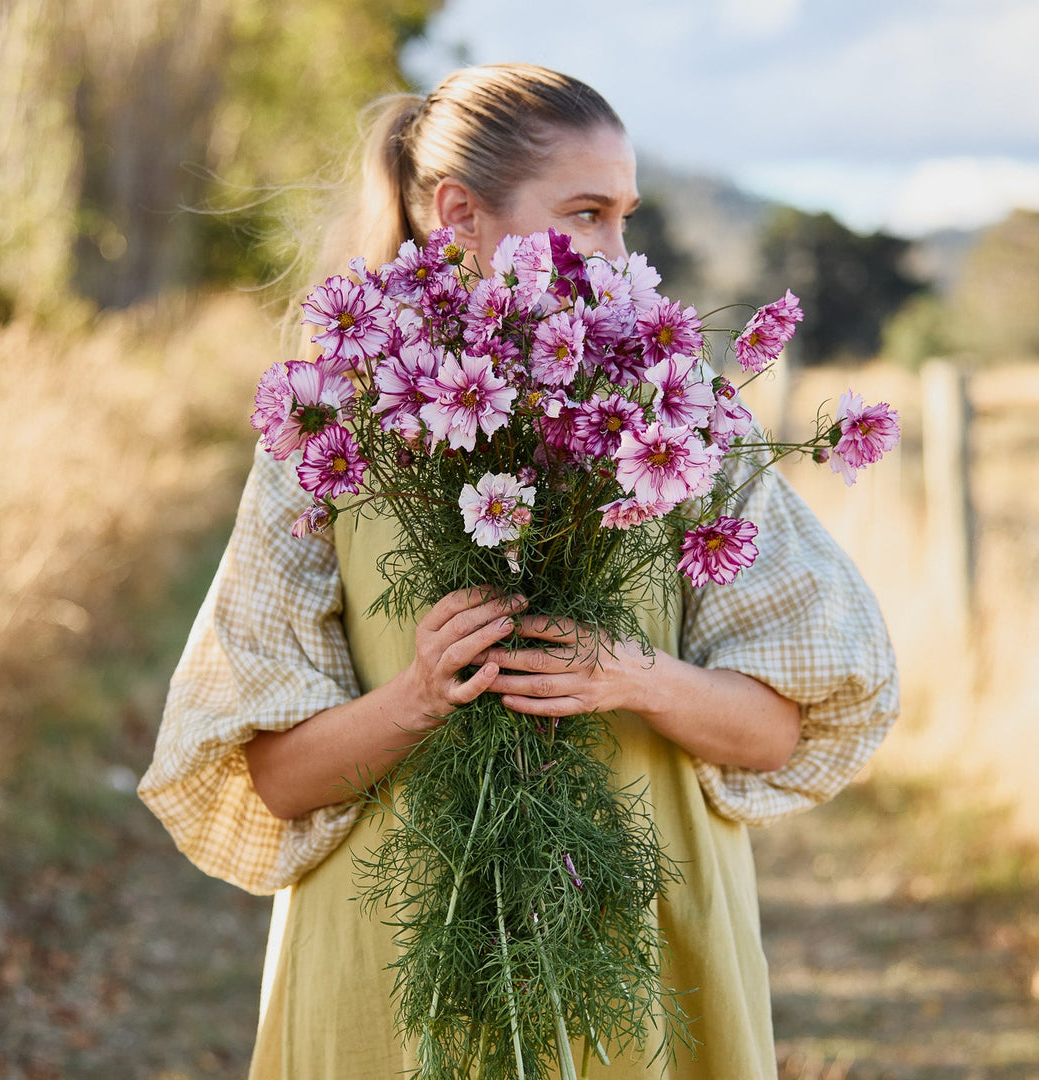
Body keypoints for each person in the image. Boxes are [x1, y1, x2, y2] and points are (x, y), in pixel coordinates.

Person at [139, 63, 899, 1079]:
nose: (618, 255)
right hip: (399, 956)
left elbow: (780, 729)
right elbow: (273, 778)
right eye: (586, 214)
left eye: (625, 217)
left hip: (641, 961)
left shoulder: (690, 420)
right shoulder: (333, 432)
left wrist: (639, 679)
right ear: (459, 215)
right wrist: (413, 697)